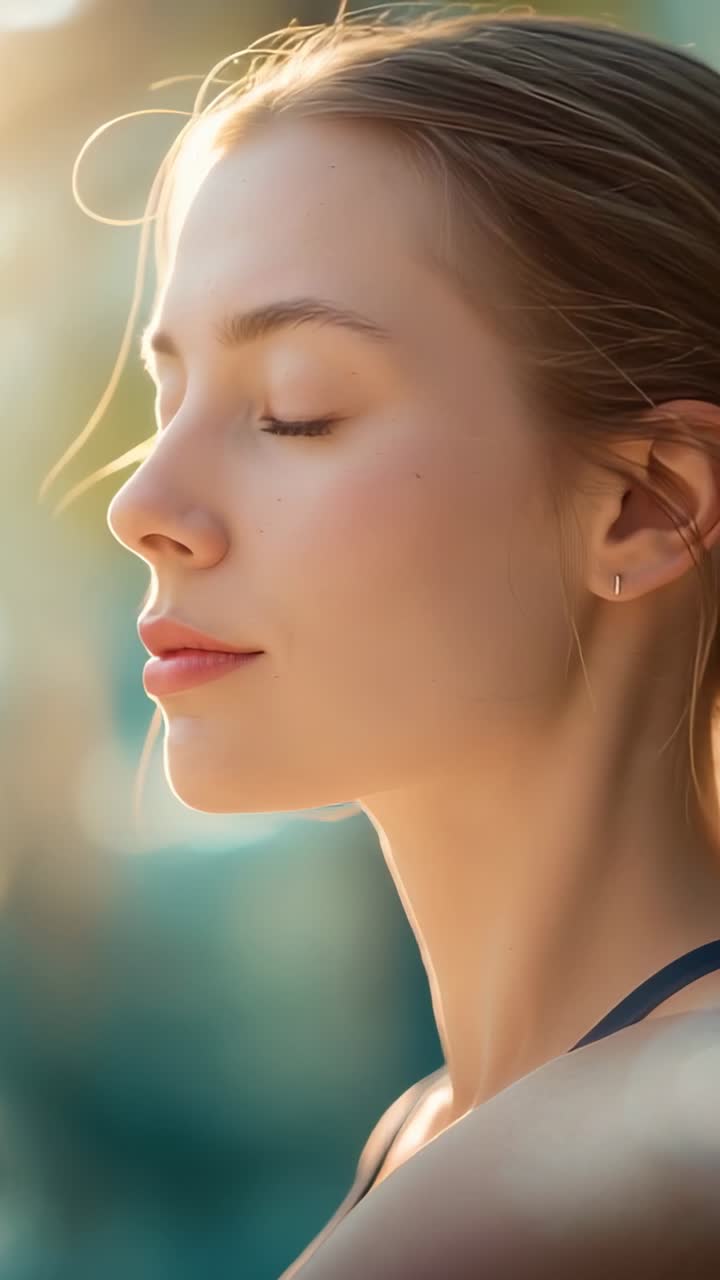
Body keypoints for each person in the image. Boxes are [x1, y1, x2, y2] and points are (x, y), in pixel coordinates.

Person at [40, 4, 720, 1275]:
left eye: (294, 409)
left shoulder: (672, 1110)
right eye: (166, 395)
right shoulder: (428, 1130)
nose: (141, 506)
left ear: (646, 505)